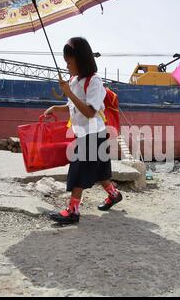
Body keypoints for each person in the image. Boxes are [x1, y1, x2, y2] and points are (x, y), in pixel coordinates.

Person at [44, 37, 123, 225]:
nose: (67, 66)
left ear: (81, 59)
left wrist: (69, 93)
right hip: (84, 133)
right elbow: (73, 106)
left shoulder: (94, 81)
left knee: (78, 169)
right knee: (99, 172)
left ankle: (73, 211)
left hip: (94, 134)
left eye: (69, 62)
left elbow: (89, 111)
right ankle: (114, 194)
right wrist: (57, 108)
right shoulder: (73, 81)